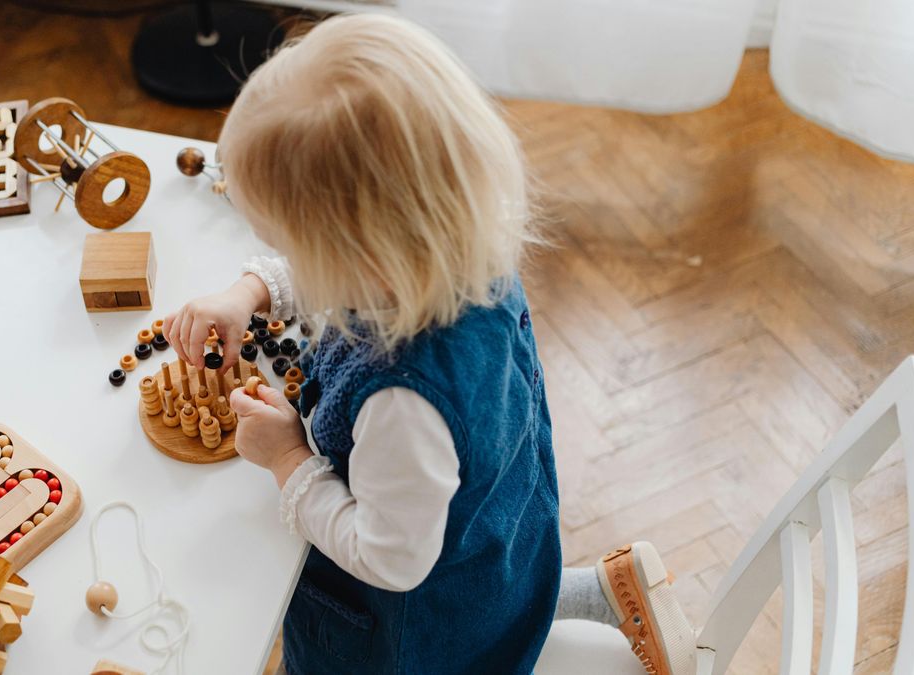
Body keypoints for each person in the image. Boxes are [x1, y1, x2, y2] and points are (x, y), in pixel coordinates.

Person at [162, 13, 694, 674]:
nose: (287, 261)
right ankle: (578, 596)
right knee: (490, 595)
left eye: (291, 249)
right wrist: (251, 292)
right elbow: (346, 270)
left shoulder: (402, 406)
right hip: (498, 541)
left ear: (360, 258)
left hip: (411, 634)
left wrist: (287, 460)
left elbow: (390, 558)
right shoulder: (461, 246)